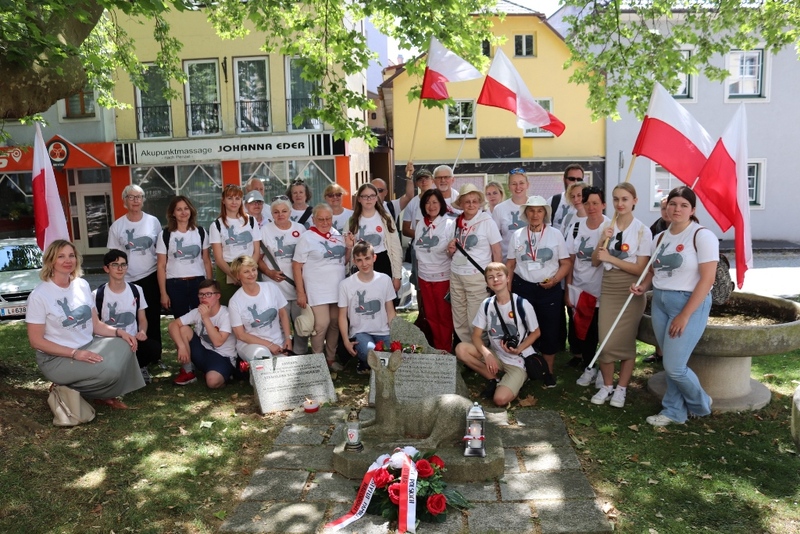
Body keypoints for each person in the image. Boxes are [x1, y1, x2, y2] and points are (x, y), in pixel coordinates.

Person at [632, 186, 716, 426]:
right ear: (666, 207)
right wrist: (643, 287)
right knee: (671, 363)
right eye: (673, 204)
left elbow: (707, 279)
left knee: (674, 366)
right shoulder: (660, 236)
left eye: (683, 205)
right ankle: (674, 413)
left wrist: (685, 315)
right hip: (660, 301)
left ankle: (701, 403)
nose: (677, 209)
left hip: (689, 303)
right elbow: (653, 270)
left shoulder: (702, 236)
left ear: (693, 210)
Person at [26, 240, 144, 409]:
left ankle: (101, 393)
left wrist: (120, 333)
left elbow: (96, 325)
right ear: (51, 261)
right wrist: (75, 353)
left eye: (71, 255)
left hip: (88, 345)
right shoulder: (39, 295)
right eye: (61, 256)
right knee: (109, 371)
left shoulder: (81, 284)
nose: (68, 260)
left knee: (126, 344)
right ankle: (67, 387)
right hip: (56, 358)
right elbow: (36, 341)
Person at [589, 183, 652, 408]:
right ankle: (607, 385)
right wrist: (600, 241)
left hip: (630, 289)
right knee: (605, 340)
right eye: (616, 199)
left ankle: (621, 389)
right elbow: (596, 261)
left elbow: (640, 270)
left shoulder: (643, 230)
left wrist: (612, 259)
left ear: (634, 200)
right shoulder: (607, 226)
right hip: (609, 287)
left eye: (625, 199)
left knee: (625, 342)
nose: (620, 204)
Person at [505, 195, 571, 388]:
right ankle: (527, 368)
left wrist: (555, 280)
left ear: (546, 213)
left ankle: (548, 372)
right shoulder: (517, 235)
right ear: (525, 213)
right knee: (523, 329)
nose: (535, 214)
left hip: (549, 290)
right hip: (522, 287)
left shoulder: (555, 234)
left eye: (539, 210)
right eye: (531, 210)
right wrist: (508, 295)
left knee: (549, 330)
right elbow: (510, 264)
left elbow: (566, 263)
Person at [455, 263, 540, 407]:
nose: (495, 280)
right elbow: (476, 336)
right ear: (487, 282)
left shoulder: (522, 304)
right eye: (490, 277)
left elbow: (536, 332)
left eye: (499, 275)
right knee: (461, 349)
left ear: (507, 278)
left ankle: (519, 378)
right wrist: (487, 354)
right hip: (497, 355)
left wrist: (519, 349)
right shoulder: (487, 304)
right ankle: (494, 379)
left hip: (518, 359)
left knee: (499, 400)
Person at [156, 195, 213, 385]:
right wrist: (163, 293)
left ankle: (206, 360)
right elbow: (161, 266)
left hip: (198, 282)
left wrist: (210, 287)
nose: (183, 212)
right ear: (173, 212)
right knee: (181, 325)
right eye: (179, 209)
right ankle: (187, 368)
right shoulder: (166, 235)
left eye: (186, 208)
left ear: (191, 211)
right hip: (176, 284)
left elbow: (206, 261)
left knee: (203, 321)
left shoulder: (201, 232)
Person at [106, 184, 163, 367]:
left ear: (143, 200)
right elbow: (114, 255)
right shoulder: (118, 226)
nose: (136, 200)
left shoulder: (153, 221)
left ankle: (154, 355)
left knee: (152, 316)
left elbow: (160, 250)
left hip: (151, 275)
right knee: (133, 318)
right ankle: (134, 355)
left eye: (139, 197)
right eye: (131, 197)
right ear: (124, 201)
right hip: (128, 279)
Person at [293, 204, 350, 371]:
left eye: (328, 218)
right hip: (317, 288)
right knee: (321, 324)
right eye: (321, 219)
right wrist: (300, 292)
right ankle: (318, 360)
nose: (325, 222)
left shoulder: (337, 234)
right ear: (313, 219)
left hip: (337, 287)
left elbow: (342, 262)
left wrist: (349, 248)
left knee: (334, 323)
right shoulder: (307, 237)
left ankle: (330, 359)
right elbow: (296, 266)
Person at [446, 183, 502, 345]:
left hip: (477, 277)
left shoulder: (486, 221)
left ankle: (484, 356)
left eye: (474, 201)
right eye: (467, 201)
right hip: (456, 274)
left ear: (479, 203)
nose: (471, 204)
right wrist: (450, 249)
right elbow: (451, 251)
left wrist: (496, 278)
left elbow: (497, 251)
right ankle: (470, 357)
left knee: (475, 321)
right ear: (461, 204)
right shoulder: (457, 222)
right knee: (460, 321)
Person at [94, 249, 160, 384]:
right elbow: (95, 324)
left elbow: (142, 319)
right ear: (106, 269)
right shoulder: (97, 294)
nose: (120, 268)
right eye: (115, 265)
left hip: (132, 341)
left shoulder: (136, 290)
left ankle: (140, 366)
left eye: (123, 265)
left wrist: (142, 331)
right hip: (108, 342)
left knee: (154, 348)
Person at [565, 187, 609, 381]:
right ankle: (589, 366)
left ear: (603, 205)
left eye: (595, 203)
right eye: (587, 203)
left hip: (602, 290)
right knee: (586, 332)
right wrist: (568, 289)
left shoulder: (610, 227)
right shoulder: (576, 228)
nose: (591, 207)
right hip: (580, 290)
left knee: (602, 332)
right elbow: (570, 260)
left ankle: (603, 369)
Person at [167, 279, 240, 389]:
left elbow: (218, 342)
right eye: (201, 295)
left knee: (212, 382)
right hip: (202, 352)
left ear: (218, 296)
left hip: (222, 356)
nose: (204, 298)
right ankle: (188, 372)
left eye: (208, 294)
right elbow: (172, 325)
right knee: (183, 329)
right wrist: (181, 346)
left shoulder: (226, 314)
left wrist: (205, 317)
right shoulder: (197, 311)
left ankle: (224, 376)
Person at [259, 196, 309, 354]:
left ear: (290, 212)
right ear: (271, 214)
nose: (280, 215)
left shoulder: (300, 229)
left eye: (284, 211)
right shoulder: (265, 230)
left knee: (301, 323)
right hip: (275, 287)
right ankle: (283, 353)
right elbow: (257, 258)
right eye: (276, 212)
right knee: (279, 324)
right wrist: (269, 272)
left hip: (297, 286)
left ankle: (300, 354)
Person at [338, 241, 397, 373]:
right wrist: (346, 341)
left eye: (367, 258)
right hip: (361, 333)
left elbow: (390, 310)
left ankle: (372, 365)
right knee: (370, 352)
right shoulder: (346, 284)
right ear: (354, 261)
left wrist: (395, 333)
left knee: (394, 353)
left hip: (383, 331)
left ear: (374, 258)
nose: (364, 264)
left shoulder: (385, 279)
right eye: (359, 260)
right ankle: (366, 361)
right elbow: (342, 315)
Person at [413, 188, 456, 351]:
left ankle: (445, 349)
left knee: (444, 316)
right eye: (427, 202)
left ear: (441, 203)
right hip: (425, 277)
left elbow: (452, 251)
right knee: (430, 315)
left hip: (442, 277)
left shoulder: (449, 223)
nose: (431, 206)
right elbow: (417, 252)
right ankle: (437, 348)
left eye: (435, 202)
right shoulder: (420, 225)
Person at [228, 255, 293, 361]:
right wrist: (269, 345)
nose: (252, 274)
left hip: (277, 341)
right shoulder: (235, 301)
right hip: (251, 344)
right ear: (238, 275)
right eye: (246, 272)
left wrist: (288, 339)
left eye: (253, 269)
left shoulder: (271, 287)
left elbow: (283, 314)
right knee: (263, 357)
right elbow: (241, 335)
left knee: (284, 369)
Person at [209, 184, 261, 305]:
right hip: (227, 270)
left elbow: (256, 251)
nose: (234, 202)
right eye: (230, 198)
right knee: (229, 308)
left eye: (237, 198)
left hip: (249, 268)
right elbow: (218, 258)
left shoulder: (251, 221)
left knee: (251, 306)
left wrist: (248, 271)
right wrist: (235, 275)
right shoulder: (216, 225)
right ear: (223, 200)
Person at [348, 183, 403, 294]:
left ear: (377, 198)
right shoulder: (353, 221)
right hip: (362, 263)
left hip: (382, 261)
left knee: (385, 301)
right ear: (359, 199)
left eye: (372, 196)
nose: (369, 199)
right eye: (365, 196)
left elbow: (395, 247)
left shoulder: (385, 218)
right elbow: (349, 249)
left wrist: (397, 276)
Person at [643, 196, 671, 365]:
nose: (667, 211)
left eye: (670, 207)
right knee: (658, 318)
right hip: (656, 278)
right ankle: (659, 352)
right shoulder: (655, 229)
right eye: (663, 208)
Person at [492, 168, 531, 261]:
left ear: (527, 185)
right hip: (508, 262)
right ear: (509, 186)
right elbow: (494, 241)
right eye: (514, 184)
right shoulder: (499, 209)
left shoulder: (537, 206)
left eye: (521, 183)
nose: (518, 187)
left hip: (532, 264)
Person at [549, 164, 585, 231]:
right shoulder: (553, 201)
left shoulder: (587, 203)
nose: (575, 182)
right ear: (564, 179)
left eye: (579, 179)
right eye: (572, 179)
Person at [401, 168, 436, 239]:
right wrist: (422, 236)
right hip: (418, 245)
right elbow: (405, 230)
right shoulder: (412, 203)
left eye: (427, 178)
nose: (424, 181)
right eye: (420, 179)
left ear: (432, 181)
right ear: (416, 183)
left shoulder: (440, 200)